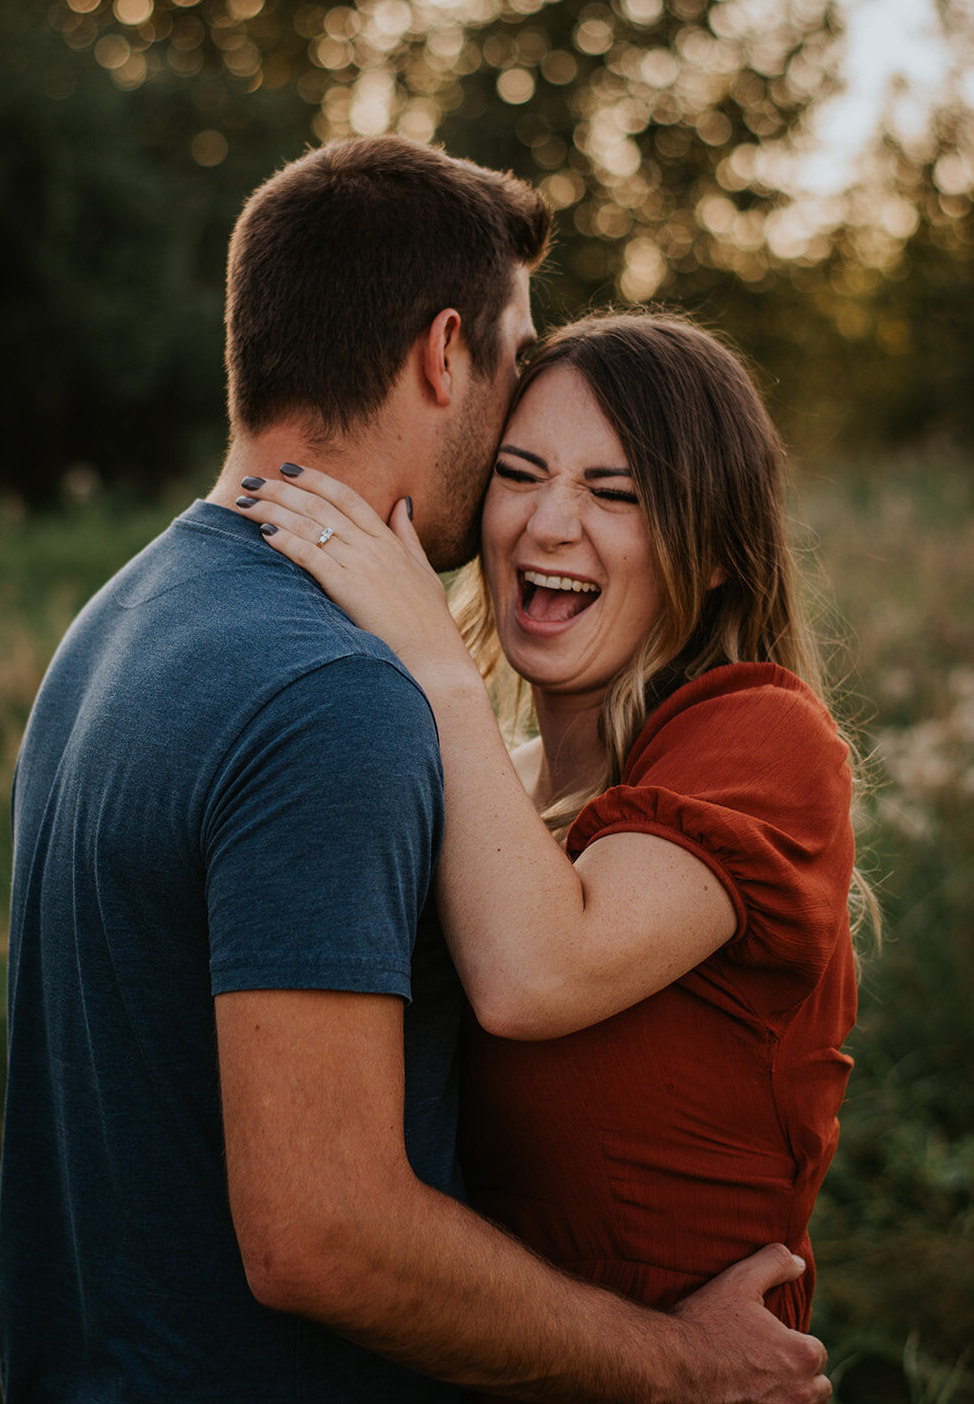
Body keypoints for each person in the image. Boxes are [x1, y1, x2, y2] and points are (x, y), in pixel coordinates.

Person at [0, 136, 832, 1404]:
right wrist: (672, 1362)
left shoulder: (120, 618)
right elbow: (322, 1229)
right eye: (519, 446)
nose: (549, 517)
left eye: (613, 489)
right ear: (447, 355)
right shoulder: (336, 695)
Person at [233, 308, 865, 1369]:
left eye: (613, 493)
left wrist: (435, 658)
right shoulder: (501, 785)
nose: (545, 526)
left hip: (705, 1382)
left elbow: (530, 974)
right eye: (519, 475)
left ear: (710, 553)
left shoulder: (761, 734)